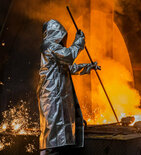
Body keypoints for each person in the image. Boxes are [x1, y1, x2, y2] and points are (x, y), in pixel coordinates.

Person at [37, 19, 100, 155]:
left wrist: (89, 66)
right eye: (61, 36)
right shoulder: (48, 45)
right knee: (52, 137)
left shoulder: (55, 51)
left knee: (60, 138)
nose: (63, 39)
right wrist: (79, 42)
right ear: (55, 34)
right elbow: (69, 55)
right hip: (52, 97)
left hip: (59, 97)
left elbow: (71, 67)